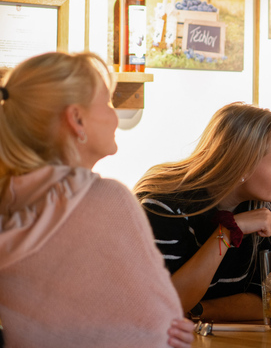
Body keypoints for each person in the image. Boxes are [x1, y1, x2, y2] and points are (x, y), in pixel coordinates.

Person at [0, 52, 193, 348]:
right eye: (107, 102)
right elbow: (160, 329)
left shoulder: (8, 204)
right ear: (77, 119)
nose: (114, 115)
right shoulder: (107, 200)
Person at [134, 103, 271, 322]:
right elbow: (167, 304)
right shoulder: (163, 206)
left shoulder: (266, 205)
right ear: (243, 167)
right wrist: (229, 232)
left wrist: (199, 310)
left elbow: (270, 302)